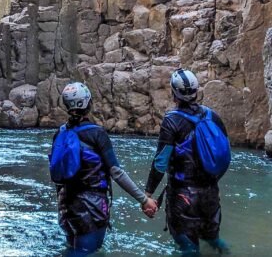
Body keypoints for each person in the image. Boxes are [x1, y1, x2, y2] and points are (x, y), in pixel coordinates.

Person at [50, 82, 158, 256]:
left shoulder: (60, 133)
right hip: (91, 208)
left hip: (65, 207)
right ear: (88, 104)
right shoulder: (97, 133)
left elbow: (57, 175)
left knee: (74, 248)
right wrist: (144, 200)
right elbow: (116, 172)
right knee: (85, 252)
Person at [145, 69, 230, 256]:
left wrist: (148, 193)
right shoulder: (213, 116)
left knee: (189, 249)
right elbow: (225, 154)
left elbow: (160, 163)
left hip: (183, 197)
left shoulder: (171, 121)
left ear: (174, 94)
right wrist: (212, 181)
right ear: (196, 91)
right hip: (211, 195)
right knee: (213, 240)